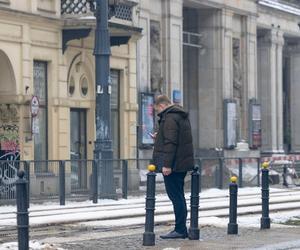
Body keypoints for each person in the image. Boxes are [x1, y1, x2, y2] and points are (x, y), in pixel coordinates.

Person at [151, 94, 194, 239]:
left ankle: (180, 230)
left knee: (176, 196)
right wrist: (159, 136)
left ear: (162, 106)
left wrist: (167, 165)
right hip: (180, 163)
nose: (158, 113)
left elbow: (171, 143)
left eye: (158, 110)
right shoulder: (179, 115)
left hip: (173, 165)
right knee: (179, 196)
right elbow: (174, 138)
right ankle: (181, 228)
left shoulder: (169, 117)